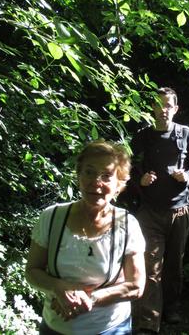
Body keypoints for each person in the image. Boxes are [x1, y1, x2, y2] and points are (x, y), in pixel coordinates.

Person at [25, 140, 146, 335]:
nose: (96, 182)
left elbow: (136, 286)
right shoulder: (52, 217)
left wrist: (89, 300)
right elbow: (32, 270)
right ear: (79, 176)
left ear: (119, 184)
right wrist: (58, 287)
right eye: (89, 172)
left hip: (110, 329)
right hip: (54, 328)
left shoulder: (127, 225)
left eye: (106, 176)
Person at [131, 87, 189, 334]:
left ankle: (172, 308)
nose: (163, 110)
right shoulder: (142, 136)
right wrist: (139, 179)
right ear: (152, 108)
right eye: (158, 105)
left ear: (175, 109)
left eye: (168, 105)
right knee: (150, 265)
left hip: (179, 211)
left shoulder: (185, 134)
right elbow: (128, 166)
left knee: (174, 264)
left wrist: (187, 175)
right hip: (149, 212)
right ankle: (148, 322)